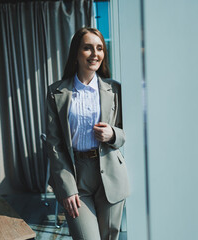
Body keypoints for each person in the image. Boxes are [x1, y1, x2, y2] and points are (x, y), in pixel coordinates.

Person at [46, 27, 129, 240]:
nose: (95, 54)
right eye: (88, 48)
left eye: (100, 48)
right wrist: (66, 187)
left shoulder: (115, 89)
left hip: (110, 174)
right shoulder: (56, 92)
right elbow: (54, 145)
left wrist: (112, 134)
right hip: (76, 176)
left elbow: (126, 133)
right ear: (76, 52)